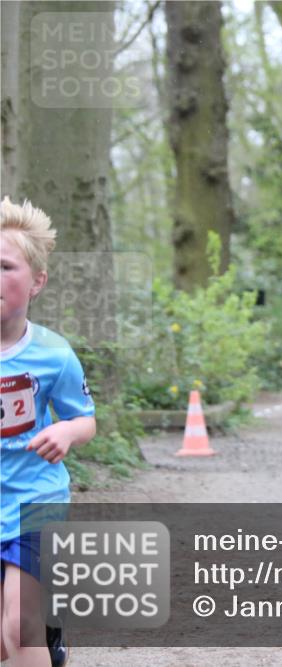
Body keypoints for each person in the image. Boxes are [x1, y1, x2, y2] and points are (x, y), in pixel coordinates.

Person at [1, 197, 97, 666]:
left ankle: (40, 632)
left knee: (19, 626)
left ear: (37, 281)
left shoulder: (54, 354)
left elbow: (86, 418)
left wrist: (67, 433)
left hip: (35, 501)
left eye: (4, 266)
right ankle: (50, 641)